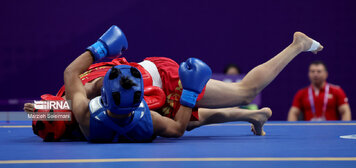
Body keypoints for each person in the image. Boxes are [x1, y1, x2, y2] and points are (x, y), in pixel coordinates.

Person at [25, 25, 323, 142]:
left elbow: (77, 89)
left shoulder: (82, 110)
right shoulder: (70, 99)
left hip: (162, 79)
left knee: (245, 91)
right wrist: (100, 48)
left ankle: (296, 45)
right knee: (191, 122)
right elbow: (60, 88)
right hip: (149, 90)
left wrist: (100, 53)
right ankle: (254, 115)